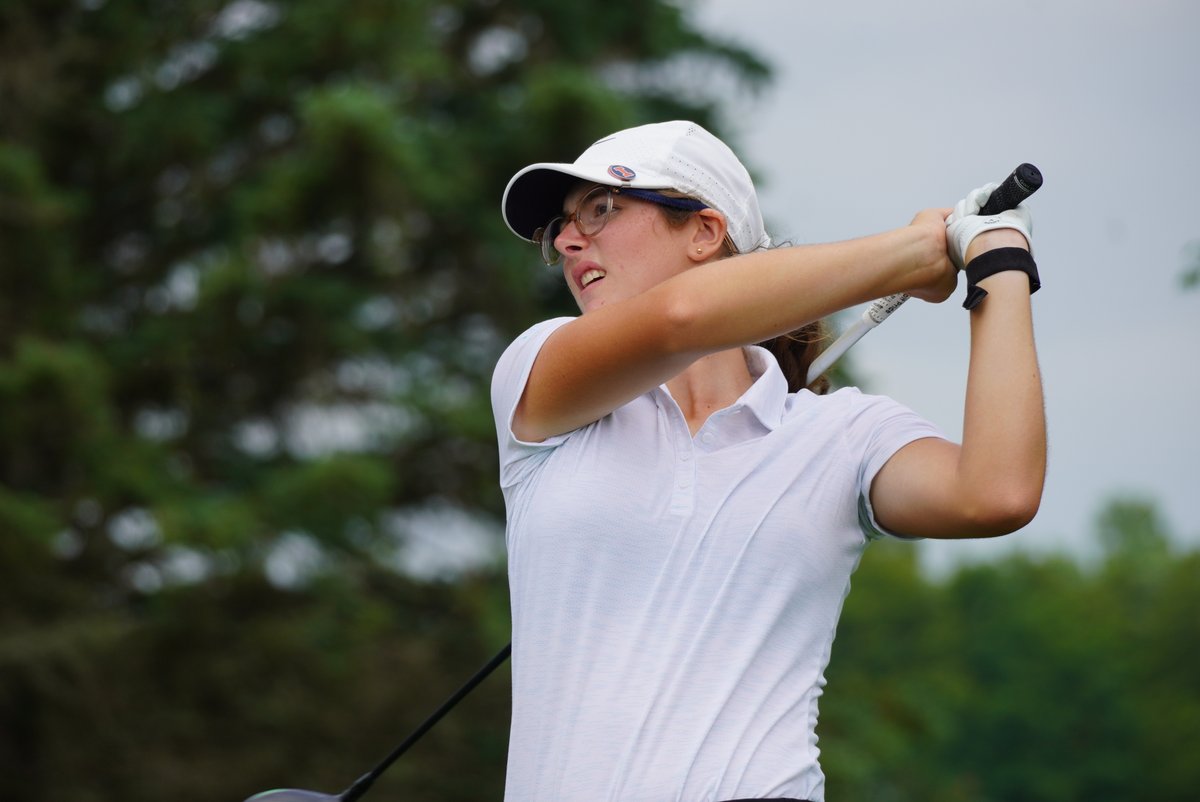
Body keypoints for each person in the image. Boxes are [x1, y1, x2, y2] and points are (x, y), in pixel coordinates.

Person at [490, 120, 1045, 802]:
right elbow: (681, 318)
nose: (569, 241)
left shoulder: (841, 433)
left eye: (601, 210)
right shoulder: (539, 377)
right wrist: (915, 251)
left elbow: (997, 492)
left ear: (704, 231)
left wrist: (998, 262)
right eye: (561, 230)